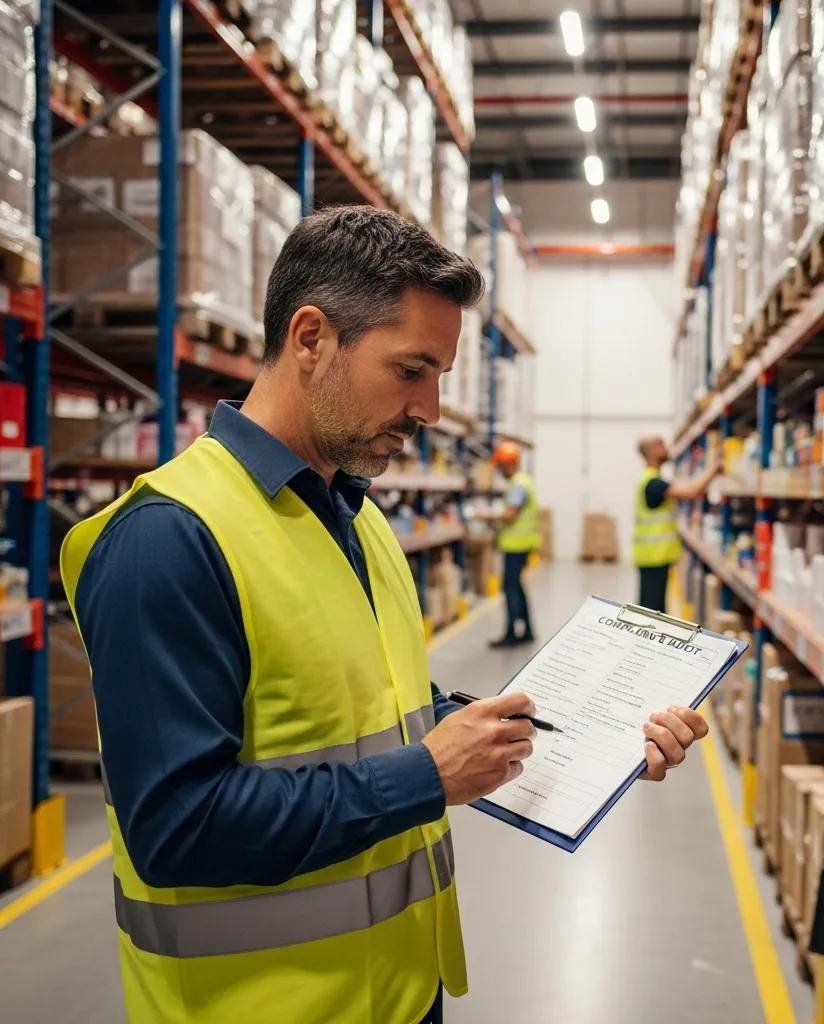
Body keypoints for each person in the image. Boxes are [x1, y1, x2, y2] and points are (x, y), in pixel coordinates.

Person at [60, 206, 710, 1024]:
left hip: (398, 996)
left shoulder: (356, 517)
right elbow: (175, 828)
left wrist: (591, 744)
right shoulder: (167, 539)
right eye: (411, 371)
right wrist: (428, 776)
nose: (432, 409)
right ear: (310, 339)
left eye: (439, 377)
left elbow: (383, 712)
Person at [634, 435, 719, 613]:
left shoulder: (653, 479)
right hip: (653, 557)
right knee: (651, 612)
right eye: (661, 444)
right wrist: (715, 468)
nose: (666, 447)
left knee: (653, 608)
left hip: (655, 556)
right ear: (650, 452)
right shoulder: (652, 483)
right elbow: (691, 491)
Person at [476, 440, 539, 648]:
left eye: (501, 466)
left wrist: (486, 516)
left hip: (516, 546)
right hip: (522, 544)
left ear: (508, 464)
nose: (500, 470)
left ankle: (512, 633)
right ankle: (527, 630)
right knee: (517, 587)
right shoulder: (523, 481)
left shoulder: (518, 484)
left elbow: (510, 515)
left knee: (510, 588)